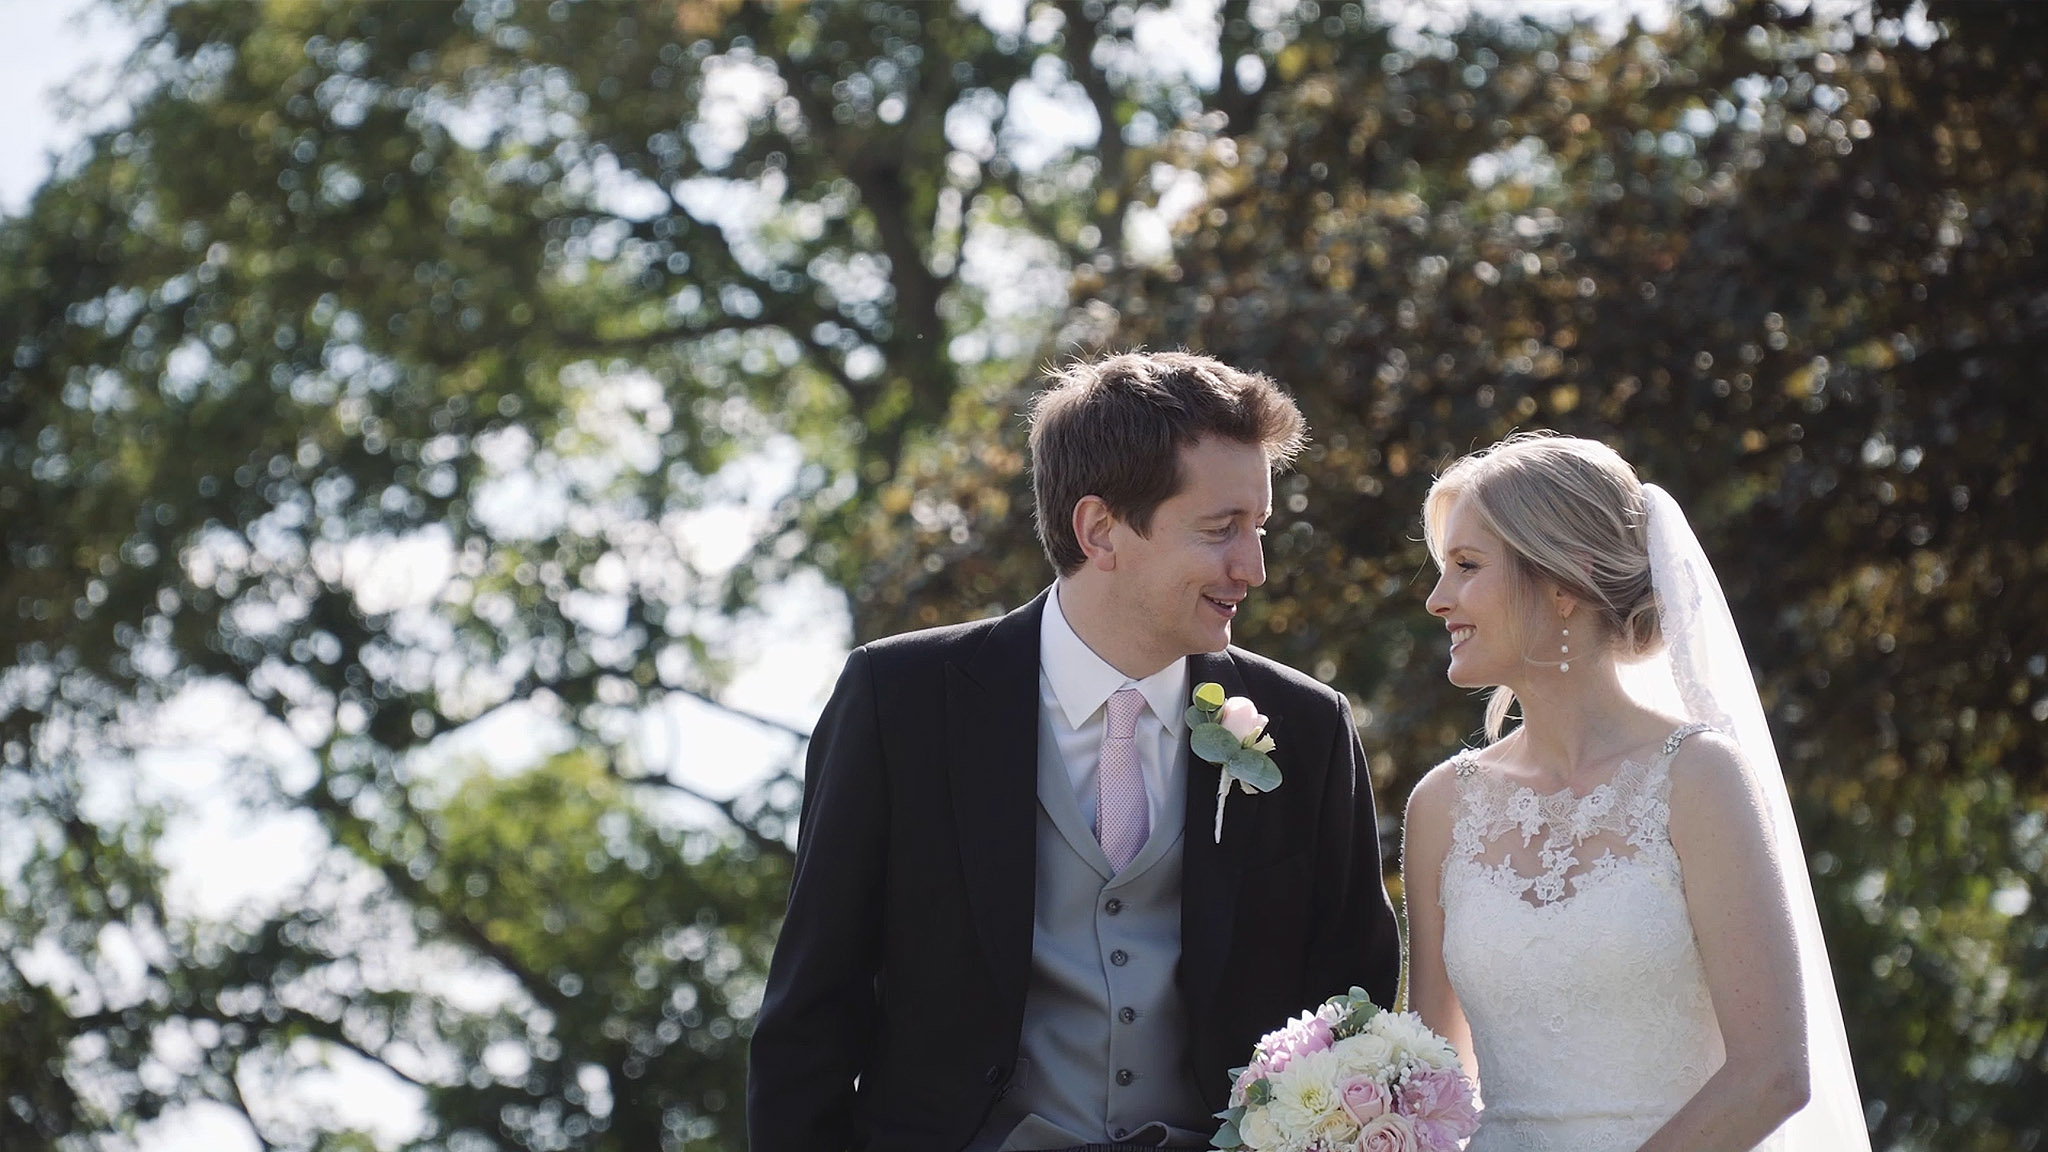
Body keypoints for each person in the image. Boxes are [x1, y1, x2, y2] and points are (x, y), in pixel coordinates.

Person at [747, 351, 1402, 1151]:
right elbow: (811, 1015)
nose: (1253, 567)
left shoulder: (1307, 727)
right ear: (1100, 531)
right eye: (1221, 529)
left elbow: (1349, 1009)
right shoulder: (901, 700)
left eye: (1258, 528)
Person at [1400, 432, 1869, 1152]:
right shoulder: (1441, 808)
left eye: (1466, 567)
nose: (1438, 600)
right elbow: (1440, 1083)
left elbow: (1773, 1074)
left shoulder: (1700, 780)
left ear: (1564, 583)